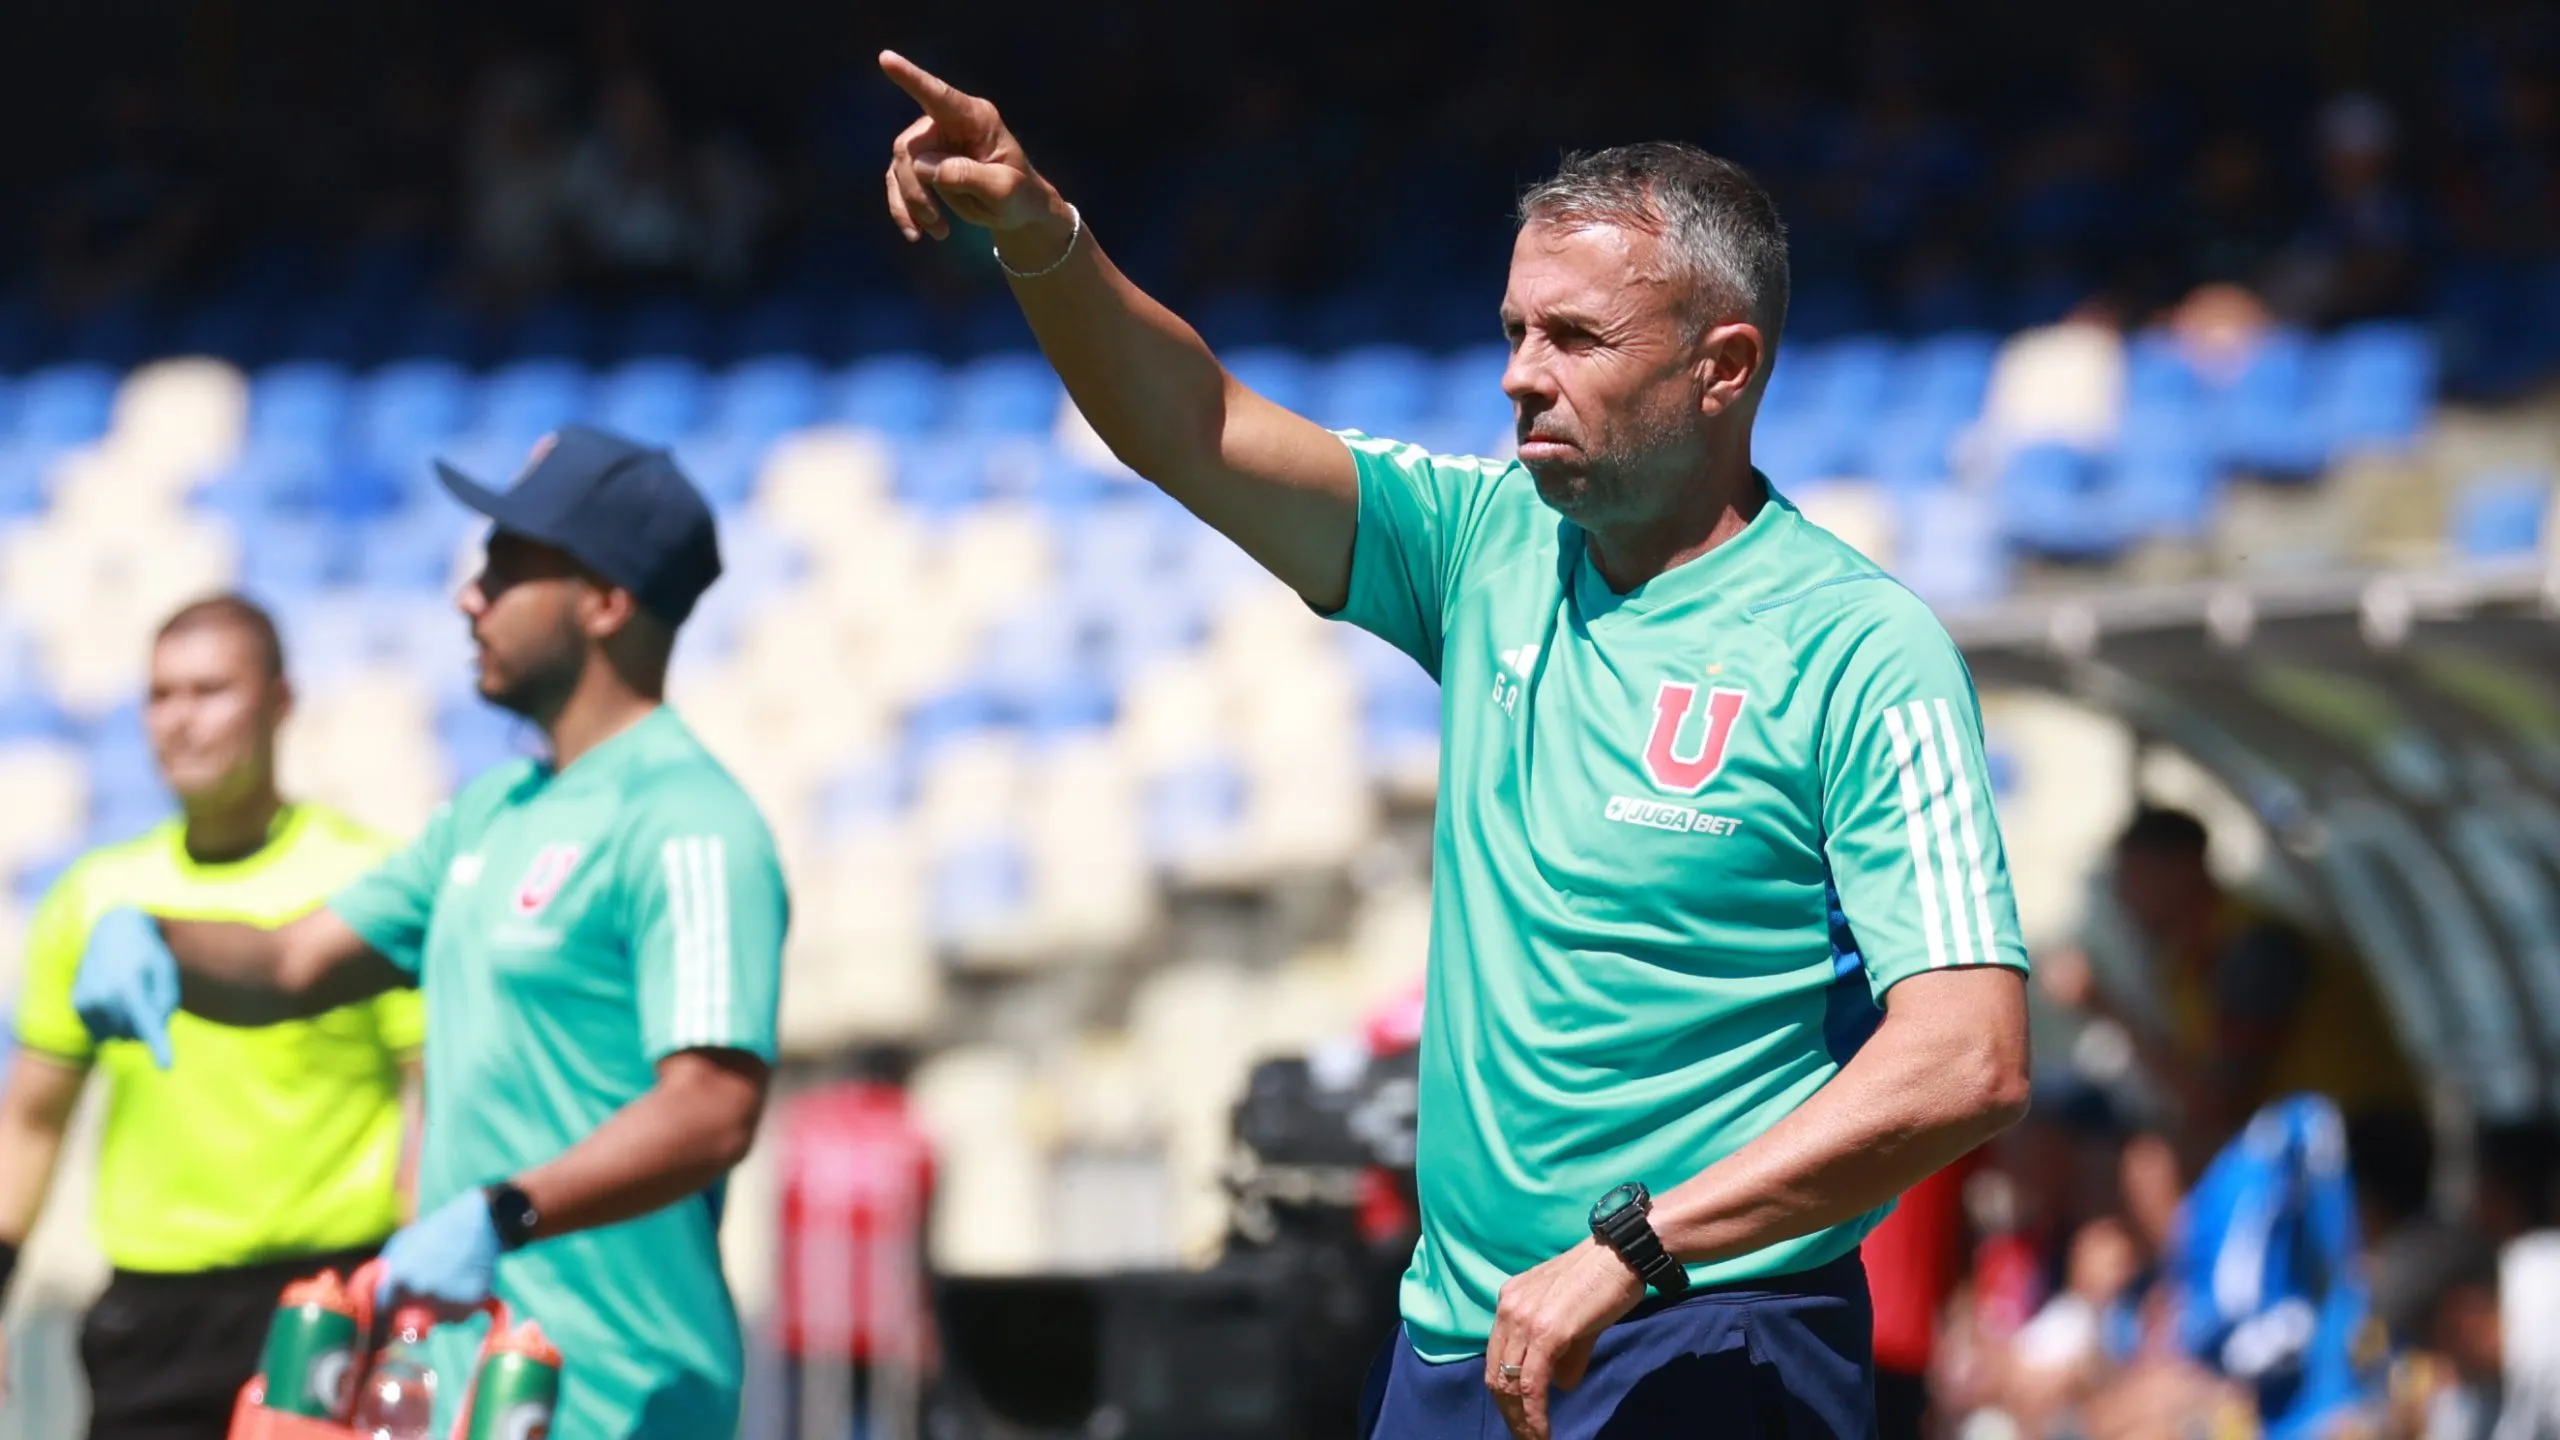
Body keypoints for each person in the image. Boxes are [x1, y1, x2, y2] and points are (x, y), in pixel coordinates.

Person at [876, 54, 2033, 1439]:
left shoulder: (1860, 651)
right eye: (1513, 329)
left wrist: (1636, 1250)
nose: (1516, 376)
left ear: (1723, 370)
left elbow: (1969, 1059)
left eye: (1574, 339)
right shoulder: (1486, 546)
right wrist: (1037, 234)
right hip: (1462, 1344)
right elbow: (1196, 428)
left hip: (1720, 1332)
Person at [67, 427, 789, 1440]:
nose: (468, 595)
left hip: (624, 1398)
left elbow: (713, 1109)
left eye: (504, 567)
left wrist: (506, 1213)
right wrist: (155, 937)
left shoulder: (690, 823)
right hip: (459, 1394)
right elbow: (288, 959)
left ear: (606, 602)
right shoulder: (488, 814)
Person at [0, 595, 422, 1438]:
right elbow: (32, 1121)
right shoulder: (91, 898)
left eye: (209, 691)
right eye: (161, 696)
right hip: (151, 1313)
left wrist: (410, 1299)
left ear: (279, 703)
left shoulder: (367, 882)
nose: (180, 722)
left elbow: (436, 1097)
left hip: (326, 1300)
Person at [2048, 805, 2424, 1162]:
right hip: (2304, 1150)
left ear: (2183, 869)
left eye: (2135, 877)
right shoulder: (2184, 965)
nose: (2124, 896)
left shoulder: (2258, 952)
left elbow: (2215, 1103)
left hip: (2362, 1146)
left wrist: (2106, 1007)